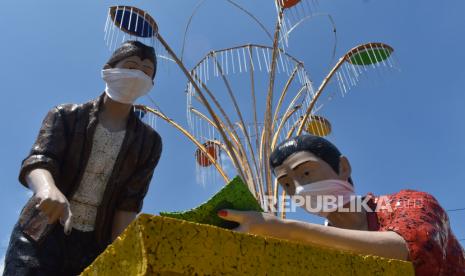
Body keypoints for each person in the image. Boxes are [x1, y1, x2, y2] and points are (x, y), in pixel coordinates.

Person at [3, 40, 163, 275]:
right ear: (108, 69)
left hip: (93, 244)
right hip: (40, 233)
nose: (136, 75)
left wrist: (121, 252)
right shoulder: (66, 115)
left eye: (146, 72)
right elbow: (39, 160)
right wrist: (47, 189)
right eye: (130, 66)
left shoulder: (148, 143)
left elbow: (128, 204)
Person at [218, 134, 465, 276]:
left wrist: (289, 230)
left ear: (343, 167)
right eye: (287, 185)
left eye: (305, 173)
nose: (299, 190)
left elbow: (415, 249)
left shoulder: (410, 203)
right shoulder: (319, 247)